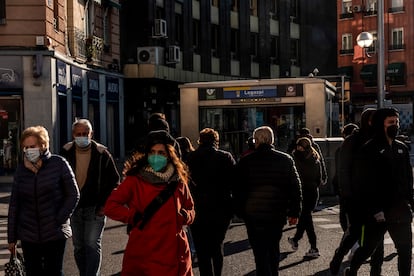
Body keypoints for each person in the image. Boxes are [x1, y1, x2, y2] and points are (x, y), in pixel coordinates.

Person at [104, 130, 195, 275]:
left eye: (161, 153)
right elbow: (110, 206)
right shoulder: (135, 180)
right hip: (145, 251)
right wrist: (132, 216)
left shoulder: (178, 181)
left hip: (176, 251)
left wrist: (184, 216)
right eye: (152, 152)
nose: (156, 156)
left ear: (170, 156)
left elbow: (190, 208)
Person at [343, 107, 413, 276]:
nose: (395, 125)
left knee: (405, 251)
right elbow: (364, 184)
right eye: (391, 122)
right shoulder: (368, 150)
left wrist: (410, 202)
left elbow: (408, 179)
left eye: (396, 122)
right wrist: (375, 209)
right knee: (368, 248)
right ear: (380, 125)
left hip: (401, 210)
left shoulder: (402, 148)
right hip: (378, 213)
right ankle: (352, 270)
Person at [8, 125, 80, 276]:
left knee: (53, 271)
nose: (28, 150)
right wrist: (12, 237)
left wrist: (59, 219)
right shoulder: (21, 170)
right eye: (25, 147)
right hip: (28, 235)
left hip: (54, 233)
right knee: (33, 272)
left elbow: (73, 195)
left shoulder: (59, 164)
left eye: (32, 146)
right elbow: (15, 204)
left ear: (43, 145)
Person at [234, 126, 302, 276]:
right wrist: (294, 212)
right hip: (277, 213)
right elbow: (295, 188)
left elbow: (238, 189)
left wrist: (240, 211)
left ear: (256, 141)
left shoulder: (246, 161)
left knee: (259, 252)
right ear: (272, 140)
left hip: (253, 215)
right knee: (273, 248)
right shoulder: (285, 160)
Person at [60, 118, 120, 276]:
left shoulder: (102, 154)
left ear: (91, 134)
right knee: (79, 246)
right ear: (73, 134)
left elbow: (115, 180)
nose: (82, 136)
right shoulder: (65, 152)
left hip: (95, 208)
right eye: (79, 133)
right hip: (74, 208)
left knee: (92, 244)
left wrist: (104, 205)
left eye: (85, 133)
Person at [329, 108, 384, 275]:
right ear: (369, 121)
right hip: (356, 198)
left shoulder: (381, 139)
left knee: (378, 238)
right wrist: (347, 195)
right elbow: (343, 170)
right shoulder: (352, 141)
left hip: (378, 198)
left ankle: (375, 271)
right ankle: (339, 256)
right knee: (354, 233)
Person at [186, 128, 236, 276]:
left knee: (202, 250)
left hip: (198, 208)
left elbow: (185, 183)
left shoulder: (190, 158)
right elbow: (235, 181)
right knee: (217, 246)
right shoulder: (225, 157)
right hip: (221, 208)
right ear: (216, 141)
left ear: (200, 141)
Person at [288, 137, 322, 258]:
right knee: (305, 218)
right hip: (313, 192)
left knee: (307, 220)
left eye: (299, 146)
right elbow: (319, 178)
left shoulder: (296, 158)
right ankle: (295, 240)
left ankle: (314, 248)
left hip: (302, 193)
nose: (297, 148)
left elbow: (293, 178)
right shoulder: (315, 158)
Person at [331, 123, 359, 231]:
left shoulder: (341, 149)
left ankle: (348, 234)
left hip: (345, 188)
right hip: (358, 187)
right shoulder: (364, 147)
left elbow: (340, 169)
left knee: (345, 213)